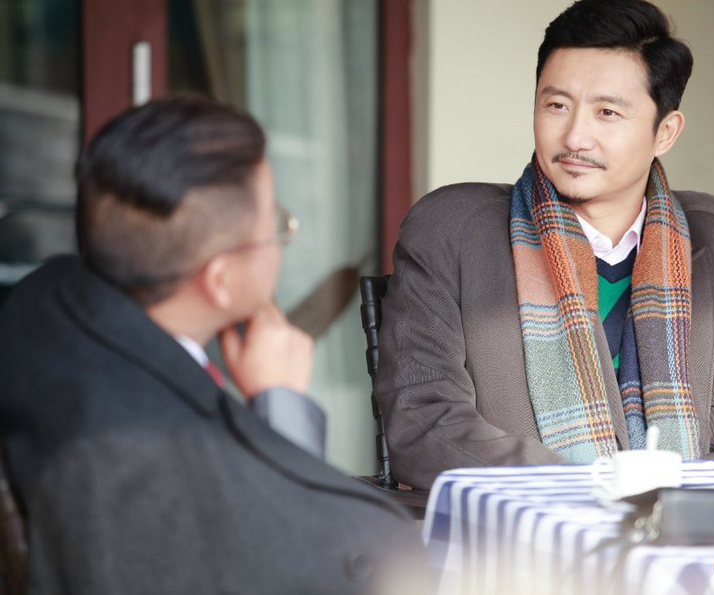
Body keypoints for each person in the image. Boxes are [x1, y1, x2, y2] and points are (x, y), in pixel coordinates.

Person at [376, 0, 714, 490]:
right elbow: (423, 421)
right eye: (556, 106)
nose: (575, 136)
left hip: (700, 531)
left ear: (664, 132)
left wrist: (686, 490)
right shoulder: (453, 232)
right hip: (524, 531)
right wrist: (596, 491)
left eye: (607, 112)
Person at [0, 96, 428, 595]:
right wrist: (282, 406)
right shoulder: (149, 456)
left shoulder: (43, 296)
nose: (281, 241)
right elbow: (327, 557)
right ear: (220, 279)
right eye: (276, 225)